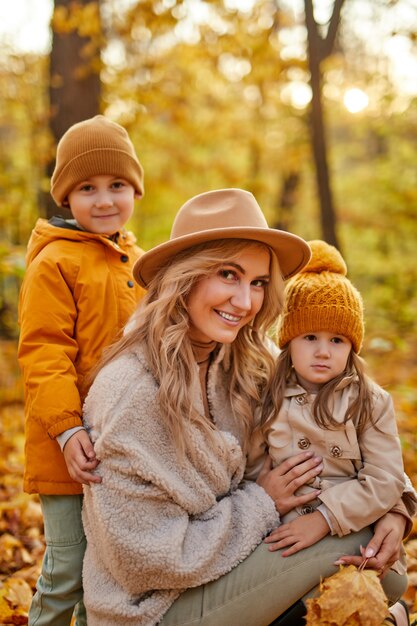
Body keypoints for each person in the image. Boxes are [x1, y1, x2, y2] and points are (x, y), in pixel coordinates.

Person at [81, 189, 412, 626]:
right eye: (228, 275)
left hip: (227, 568)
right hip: (154, 608)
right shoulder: (132, 392)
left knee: (381, 560)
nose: (245, 302)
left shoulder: (248, 360)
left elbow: (346, 429)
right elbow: (143, 561)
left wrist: (396, 509)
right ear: (185, 276)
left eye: (257, 283)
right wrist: (263, 503)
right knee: (354, 548)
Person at [17, 115, 146, 626]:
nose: (105, 200)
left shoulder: (138, 263)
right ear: (66, 198)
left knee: (105, 572)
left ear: (135, 189)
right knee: (68, 567)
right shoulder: (54, 264)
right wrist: (68, 429)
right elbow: (44, 354)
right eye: (87, 188)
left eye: (117, 185)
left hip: (122, 443)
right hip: (66, 446)